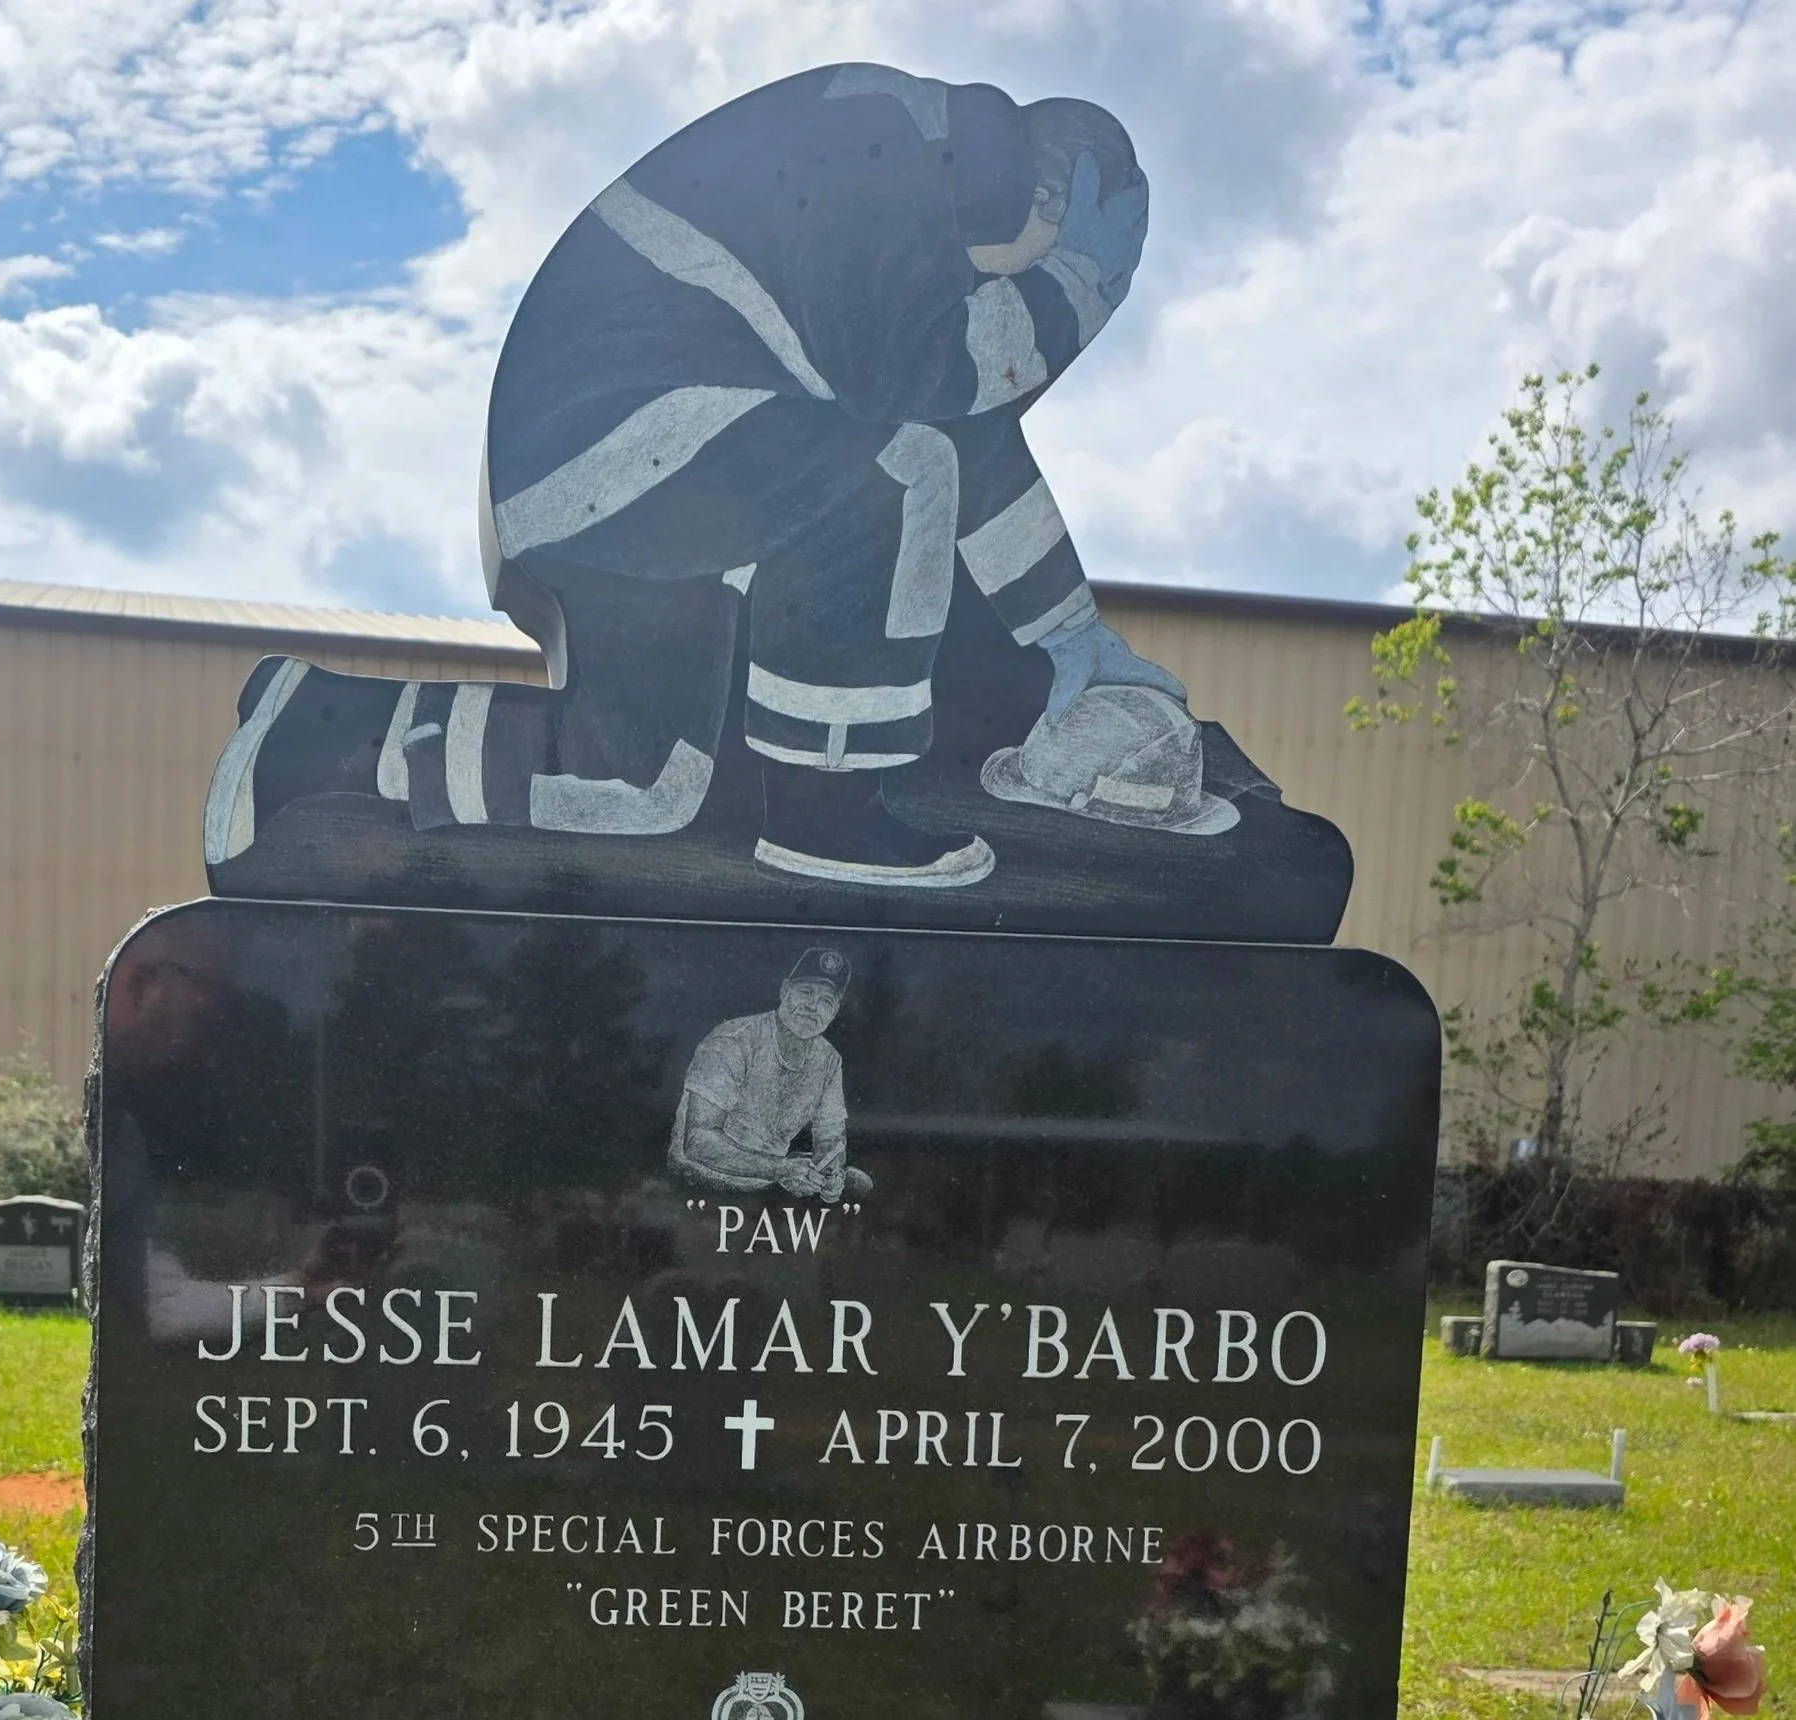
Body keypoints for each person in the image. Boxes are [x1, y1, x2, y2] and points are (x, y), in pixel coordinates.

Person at [206, 62, 1210, 892]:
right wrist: (1065, 298)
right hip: (624, 432)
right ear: (1050, 199)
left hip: (640, 458)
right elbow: (911, 382)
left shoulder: (906, 191)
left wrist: (1070, 634)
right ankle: (825, 814)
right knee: (893, 476)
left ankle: (321, 728)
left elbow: (968, 430)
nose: (1018, 305)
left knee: (639, 788)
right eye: (1060, 269)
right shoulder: (887, 139)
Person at [669, 947, 870, 1198]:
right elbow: (698, 1140)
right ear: (785, 991)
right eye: (806, 992)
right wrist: (779, 1169)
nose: (812, 1007)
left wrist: (830, 1174)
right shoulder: (733, 1041)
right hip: (695, 1188)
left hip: (764, 1192)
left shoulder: (828, 1060)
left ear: (835, 1011)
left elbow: (831, 1140)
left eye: (826, 1001)